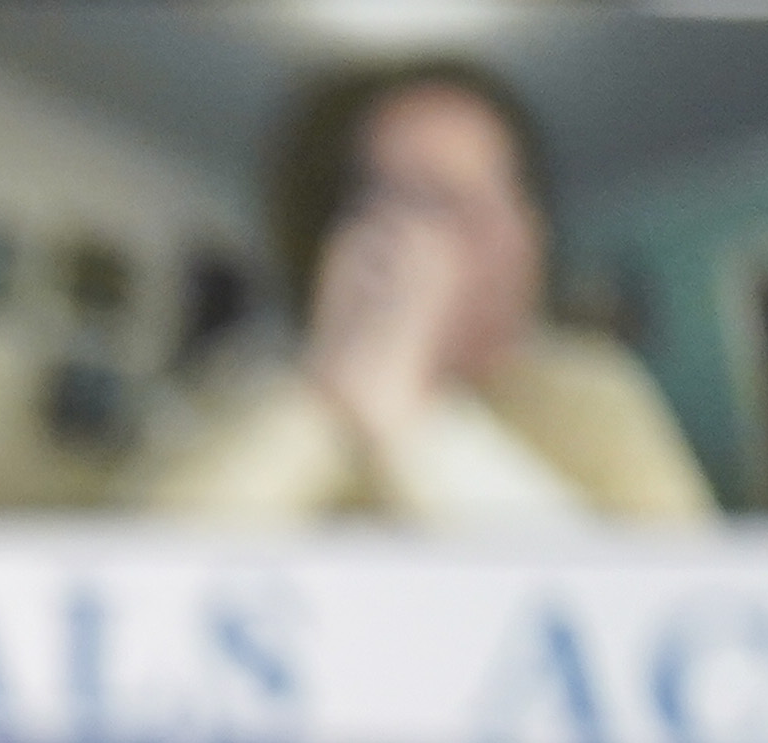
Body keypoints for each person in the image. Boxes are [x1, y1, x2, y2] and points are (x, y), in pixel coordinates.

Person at [134, 57, 713, 531]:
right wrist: (327, 400)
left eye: (511, 191)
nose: (502, 233)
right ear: (349, 245)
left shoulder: (596, 393)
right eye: (439, 199)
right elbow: (140, 608)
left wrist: (412, 422)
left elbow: (654, 623)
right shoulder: (232, 390)